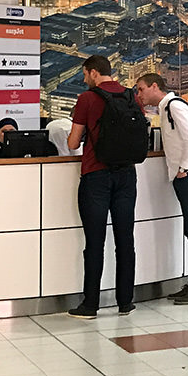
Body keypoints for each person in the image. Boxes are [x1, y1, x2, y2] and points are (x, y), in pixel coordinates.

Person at [66, 56, 141, 319]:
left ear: (94, 73)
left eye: (86, 74)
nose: (85, 79)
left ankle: (90, 305)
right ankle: (125, 302)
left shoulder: (87, 99)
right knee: (125, 240)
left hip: (96, 175)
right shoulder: (131, 96)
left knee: (95, 242)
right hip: (127, 175)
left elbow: (73, 142)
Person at [134, 73, 188, 305]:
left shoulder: (174, 106)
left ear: (154, 86)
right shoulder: (167, 107)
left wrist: (184, 168)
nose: (139, 94)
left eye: (141, 89)